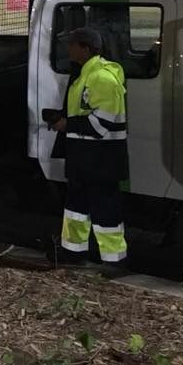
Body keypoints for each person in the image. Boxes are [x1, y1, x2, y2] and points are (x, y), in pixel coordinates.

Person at [49, 27, 129, 265]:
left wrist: (66, 124)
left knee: (105, 211)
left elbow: (101, 124)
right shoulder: (87, 75)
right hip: (85, 159)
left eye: (72, 45)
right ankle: (72, 253)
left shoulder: (101, 78)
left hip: (101, 160)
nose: (68, 49)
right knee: (76, 209)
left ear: (85, 48)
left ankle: (114, 261)